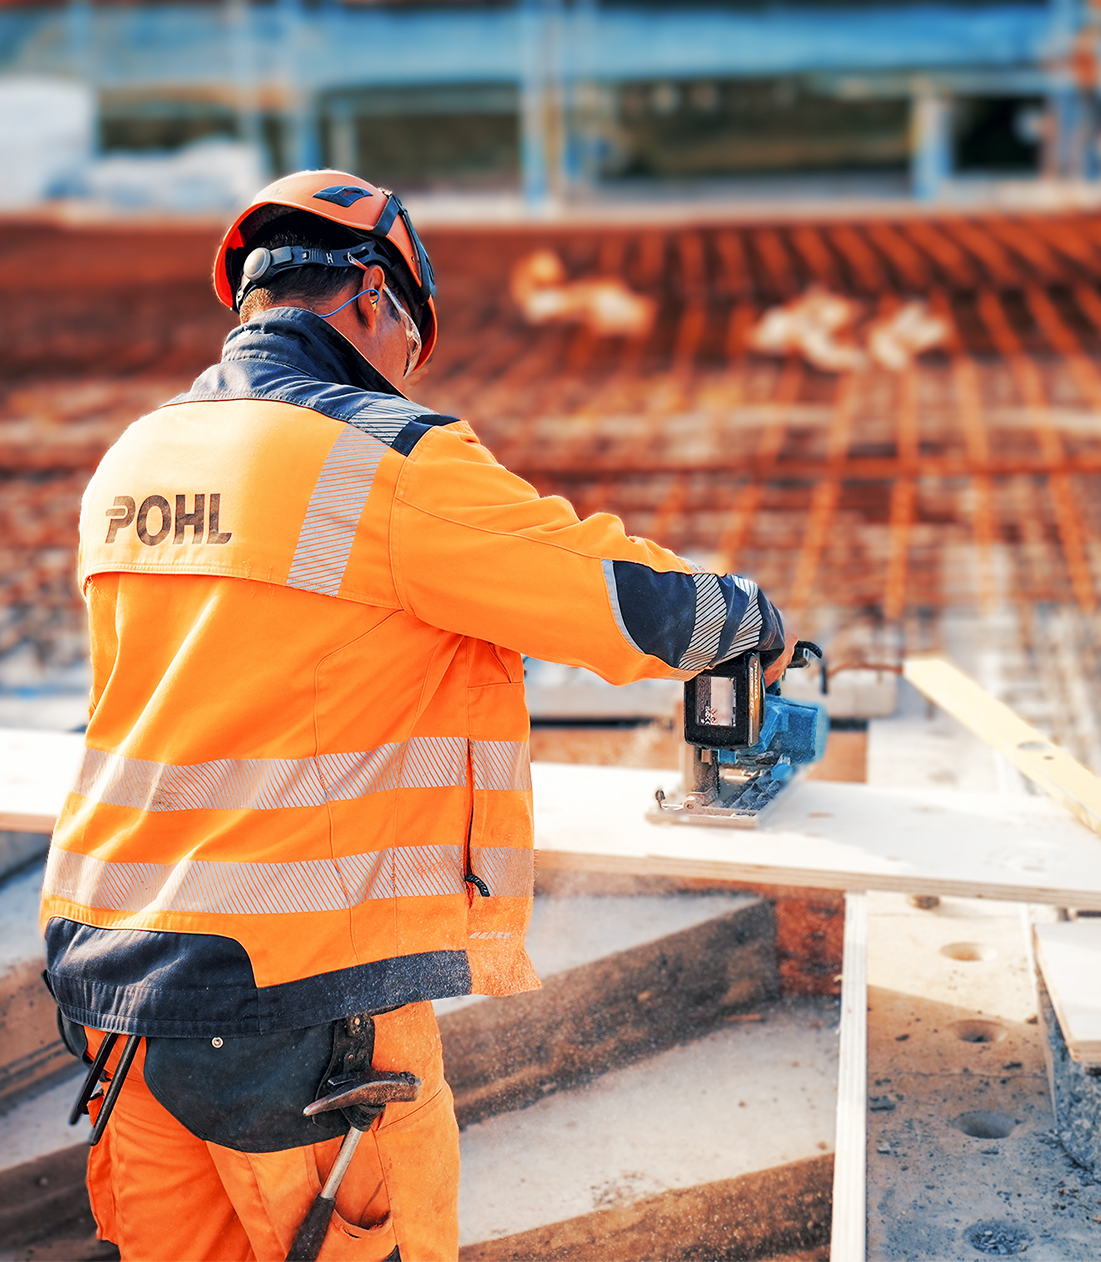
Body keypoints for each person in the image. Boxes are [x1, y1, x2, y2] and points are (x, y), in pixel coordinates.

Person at [40, 169, 789, 1262]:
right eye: (409, 340)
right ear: (371, 301)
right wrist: (749, 618)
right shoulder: (387, 459)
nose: (406, 368)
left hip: (112, 982)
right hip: (293, 1007)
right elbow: (610, 598)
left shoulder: (135, 459)